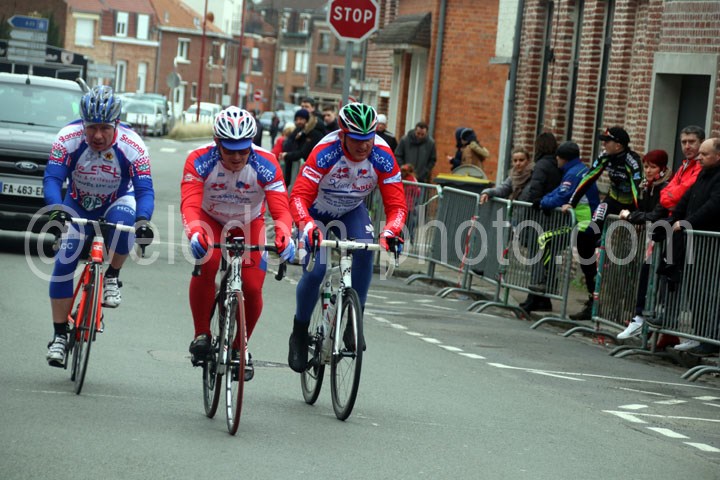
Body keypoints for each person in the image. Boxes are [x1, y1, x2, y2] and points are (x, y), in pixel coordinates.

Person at [286, 102, 407, 373]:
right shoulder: (325, 152)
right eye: (356, 139)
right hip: (315, 211)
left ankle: (354, 320)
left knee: (366, 249)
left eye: (369, 138)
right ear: (342, 135)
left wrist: (391, 232)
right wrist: (307, 226)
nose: (364, 145)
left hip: (351, 210)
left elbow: (397, 205)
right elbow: (299, 196)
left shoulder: (382, 155)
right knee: (316, 271)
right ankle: (300, 331)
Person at [180, 106, 296, 380]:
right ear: (217, 143)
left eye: (243, 150)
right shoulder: (199, 159)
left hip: (248, 221)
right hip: (210, 218)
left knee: (253, 287)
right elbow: (190, 203)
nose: (236, 157)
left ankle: (238, 347)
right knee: (208, 263)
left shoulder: (266, 163)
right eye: (229, 150)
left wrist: (285, 234)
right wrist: (195, 232)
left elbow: (281, 209)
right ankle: (202, 334)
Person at [43, 85, 155, 367]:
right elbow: (53, 178)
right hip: (78, 202)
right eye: (91, 127)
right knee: (63, 265)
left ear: (116, 124)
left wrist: (143, 220)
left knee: (124, 226)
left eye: (105, 128)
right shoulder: (68, 137)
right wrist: (57, 210)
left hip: (118, 199)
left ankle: (113, 275)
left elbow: (144, 191)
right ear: (83, 123)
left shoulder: (133, 145)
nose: (98, 135)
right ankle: (59, 335)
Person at [561, 126, 643, 319]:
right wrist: (572, 202)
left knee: (623, 255)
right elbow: (589, 176)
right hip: (612, 200)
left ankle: (623, 306)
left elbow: (636, 188)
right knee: (585, 237)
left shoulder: (632, 160)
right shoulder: (605, 156)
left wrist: (637, 215)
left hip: (629, 205)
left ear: (619, 145)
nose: (604, 144)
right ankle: (592, 293)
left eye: (607, 141)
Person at [660, 137, 720, 354]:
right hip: (694, 242)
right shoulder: (703, 174)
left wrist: (688, 223)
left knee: (708, 291)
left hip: (711, 243)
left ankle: (709, 339)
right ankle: (698, 334)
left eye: (704, 154)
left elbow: (713, 206)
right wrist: (672, 219)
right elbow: (686, 199)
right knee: (696, 289)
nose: (699, 157)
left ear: (718, 156)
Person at [532, 142, 600, 314]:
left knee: (546, 239)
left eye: (558, 156)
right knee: (587, 266)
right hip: (582, 223)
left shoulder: (573, 174)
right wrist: (544, 200)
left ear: (563, 158)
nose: (556, 159)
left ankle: (549, 282)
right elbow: (558, 191)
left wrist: (543, 202)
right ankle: (592, 303)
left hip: (584, 224)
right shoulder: (577, 170)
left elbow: (562, 197)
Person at [616, 150, 672, 339]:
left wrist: (631, 216)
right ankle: (640, 320)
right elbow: (645, 211)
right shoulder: (647, 187)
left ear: (662, 168)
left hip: (666, 240)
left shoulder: (666, 187)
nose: (648, 171)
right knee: (646, 276)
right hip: (653, 240)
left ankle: (646, 321)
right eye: (646, 166)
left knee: (658, 281)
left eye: (653, 167)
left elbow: (655, 215)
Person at [518, 132, 562, 313]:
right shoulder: (558, 164)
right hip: (554, 218)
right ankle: (544, 299)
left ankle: (533, 297)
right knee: (548, 259)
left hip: (540, 217)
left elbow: (535, 190)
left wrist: (532, 204)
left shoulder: (542, 165)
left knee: (537, 258)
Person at [279, 108, 325, 187]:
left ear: (307, 120)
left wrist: (288, 155)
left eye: (301, 119)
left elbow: (303, 152)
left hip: (310, 168)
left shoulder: (313, 133)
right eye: (296, 119)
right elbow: (289, 142)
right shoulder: (300, 130)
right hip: (293, 165)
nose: (298, 121)